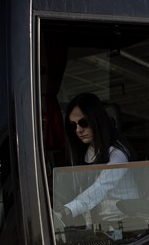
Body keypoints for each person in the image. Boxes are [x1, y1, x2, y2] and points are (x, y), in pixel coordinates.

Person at [58, 93, 136, 228]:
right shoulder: (88, 153)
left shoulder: (117, 155)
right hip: (102, 227)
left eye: (84, 122)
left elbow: (100, 188)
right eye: (73, 125)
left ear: (97, 120)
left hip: (127, 225)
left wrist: (67, 211)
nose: (78, 130)